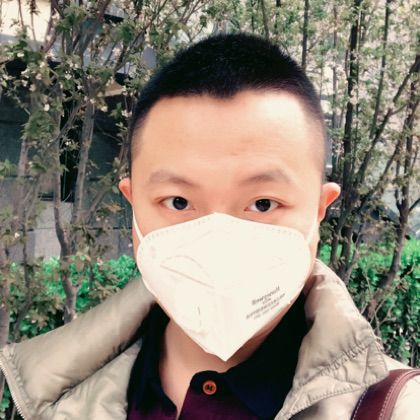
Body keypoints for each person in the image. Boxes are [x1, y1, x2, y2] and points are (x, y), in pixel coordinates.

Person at [0, 33, 418, 420]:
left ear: (319, 209)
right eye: (178, 202)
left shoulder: (394, 408)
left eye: (263, 204)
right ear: (133, 205)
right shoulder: (54, 399)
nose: (220, 248)